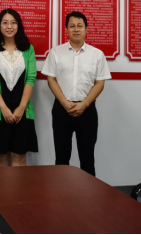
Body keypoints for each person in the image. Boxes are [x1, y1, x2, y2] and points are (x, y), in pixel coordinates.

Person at [43, 11, 111, 177]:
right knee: (61, 157)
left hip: (87, 110)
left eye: (80, 26)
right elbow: (51, 79)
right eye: (72, 26)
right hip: (62, 109)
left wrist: (84, 104)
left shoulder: (97, 54)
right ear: (66, 29)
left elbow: (100, 83)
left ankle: (89, 193)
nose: (76, 29)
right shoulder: (55, 53)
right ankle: (61, 191)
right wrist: (65, 103)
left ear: (86, 29)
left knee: (87, 158)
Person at [0, 9, 38, 167]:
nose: (9, 26)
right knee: (1, 157)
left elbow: (31, 78)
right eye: (5, 22)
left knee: (19, 156)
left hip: (22, 111)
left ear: (18, 26)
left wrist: (21, 107)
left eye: (13, 23)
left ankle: (20, 187)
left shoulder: (28, 49)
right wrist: (3, 108)